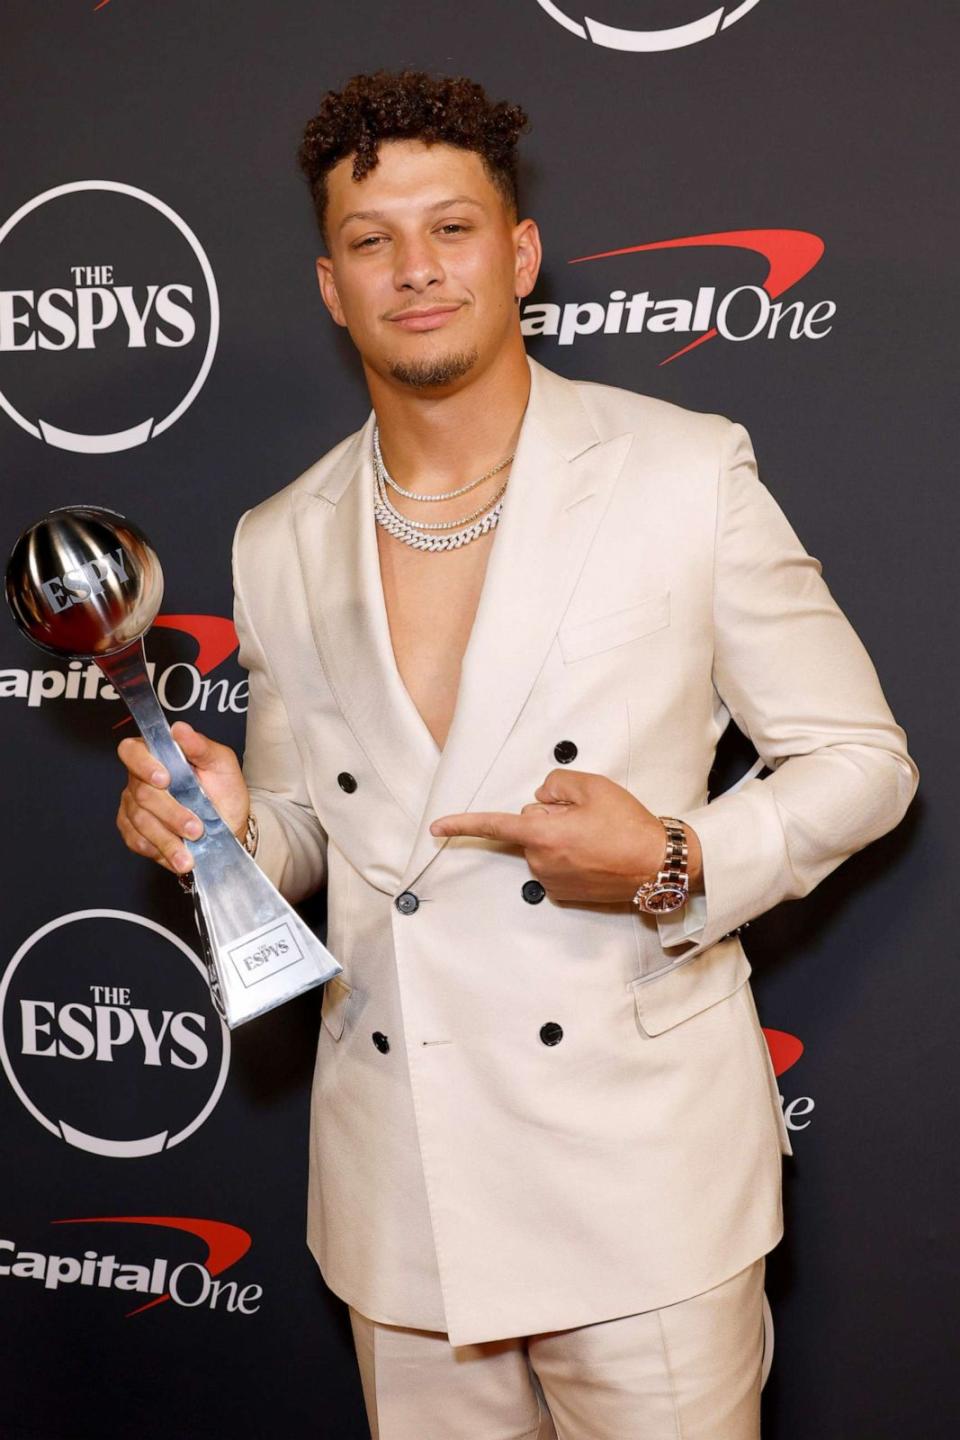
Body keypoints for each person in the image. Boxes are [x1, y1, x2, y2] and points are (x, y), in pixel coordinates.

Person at [114, 70, 918, 1440]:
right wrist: (232, 834)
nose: (415, 270)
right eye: (374, 242)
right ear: (329, 283)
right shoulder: (279, 534)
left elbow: (863, 759)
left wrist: (675, 857)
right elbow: (325, 830)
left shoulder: (682, 470)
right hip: (399, 1193)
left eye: (453, 229)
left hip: (638, 1190)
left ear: (521, 251)